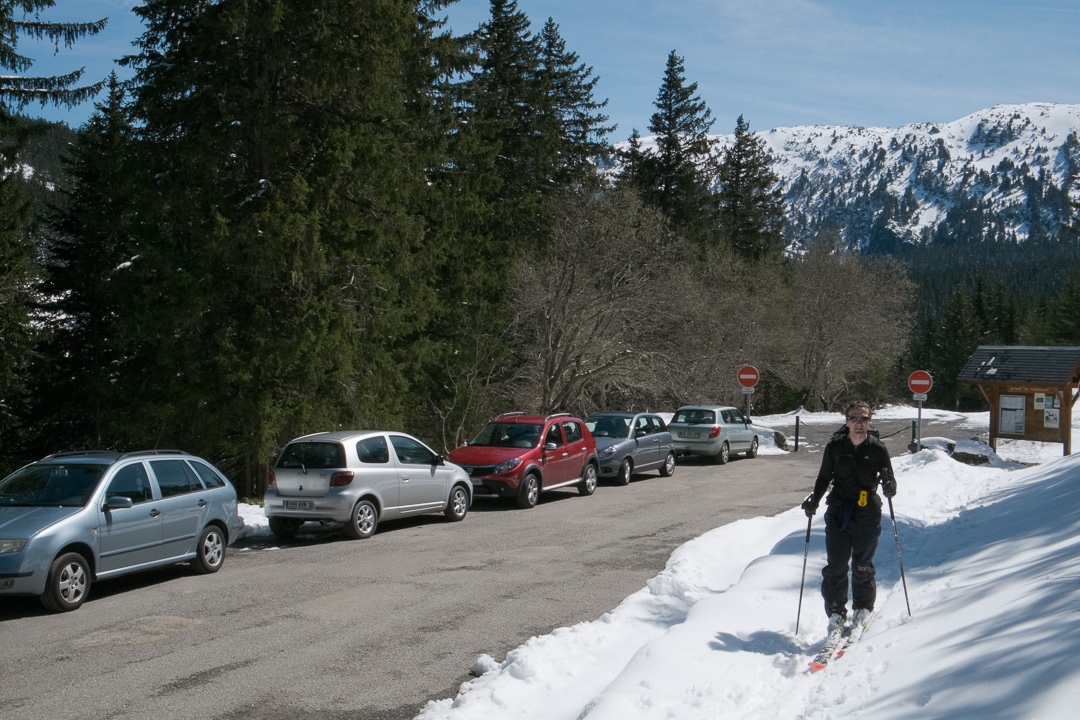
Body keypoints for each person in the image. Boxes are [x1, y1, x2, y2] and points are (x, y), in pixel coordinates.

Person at [801, 401, 897, 634]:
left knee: (862, 565)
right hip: (838, 512)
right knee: (836, 565)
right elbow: (824, 477)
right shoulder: (835, 447)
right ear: (846, 422)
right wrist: (814, 501)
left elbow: (889, 478)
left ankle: (863, 608)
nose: (858, 423)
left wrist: (890, 486)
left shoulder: (878, 448)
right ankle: (836, 612)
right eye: (854, 418)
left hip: (868, 512)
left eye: (863, 419)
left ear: (869, 421)